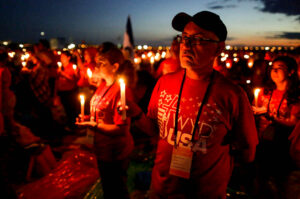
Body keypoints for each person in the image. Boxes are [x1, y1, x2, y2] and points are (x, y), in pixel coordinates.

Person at [125, 11, 258, 198]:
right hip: (161, 188)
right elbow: (156, 131)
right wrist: (136, 113)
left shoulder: (231, 95)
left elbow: (247, 152)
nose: (186, 45)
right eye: (184, 38)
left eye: (198, 40)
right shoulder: (164, 83)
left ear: (219, 49)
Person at [76, 43, 134, 199]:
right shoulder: (102, 85)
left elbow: (121, 129)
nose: (97, 66)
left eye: (102, 63)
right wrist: (87, 118)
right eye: (97, 62)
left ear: (114, 67)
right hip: (102, 150)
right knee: (108, 188)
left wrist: (93, 125)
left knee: (117, 191)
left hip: (116, 153)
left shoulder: (122, 92)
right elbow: (101, 114)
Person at [252, 56, 300, 198]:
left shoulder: (295, 96)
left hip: (283, 146)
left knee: (281, 183)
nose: (275, 71)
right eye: (273, 68)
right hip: (262, 143)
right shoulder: (264, 92)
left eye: (280, 68)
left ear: (291, 72)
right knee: (261, 181)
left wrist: (272, 117)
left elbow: (293, 123)